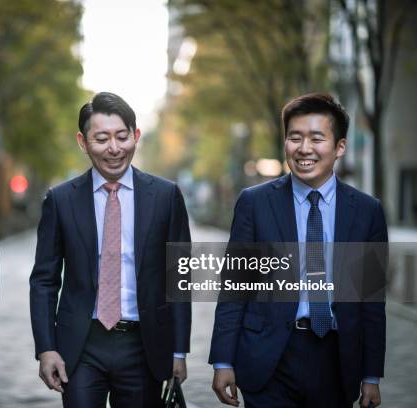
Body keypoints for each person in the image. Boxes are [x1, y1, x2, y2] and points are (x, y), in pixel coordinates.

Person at [209, 93, 387, 407]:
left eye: (317, 138)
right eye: (295, 138)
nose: (304, 148)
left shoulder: (367, 211)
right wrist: (223, 360)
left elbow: (371, 300)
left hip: (337, 358)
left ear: (339, 147)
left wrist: (371, 374)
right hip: (269, 357)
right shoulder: (255, 203)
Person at [29, 92, 191, 407]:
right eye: (102, 138)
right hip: (80, 345)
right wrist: (46, 348)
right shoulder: (60, 200)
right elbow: (44, 280)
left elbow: (180, 278)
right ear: (83, 141)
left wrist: (178, 351)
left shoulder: (166, 196)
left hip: (143, 345)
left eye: (122, 136)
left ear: (136, 136)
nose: (114, 148)